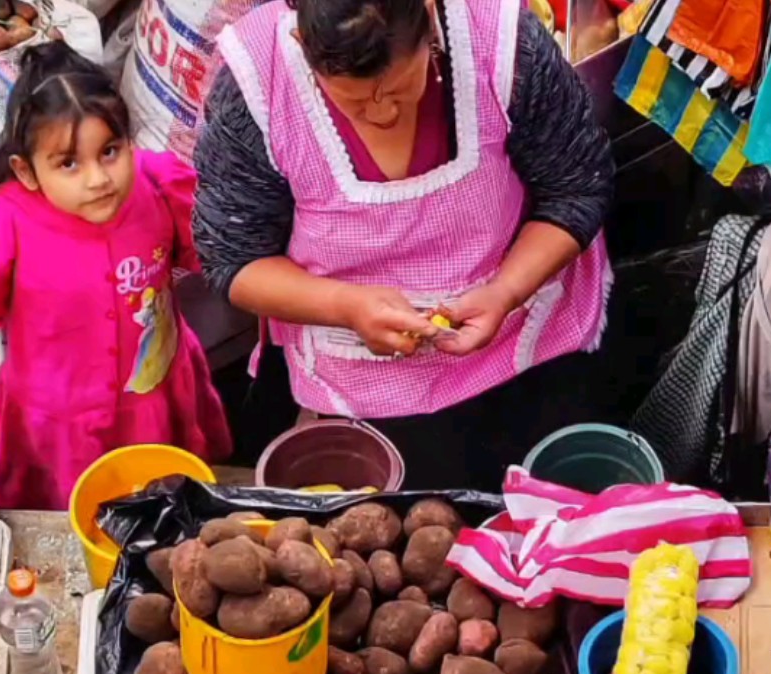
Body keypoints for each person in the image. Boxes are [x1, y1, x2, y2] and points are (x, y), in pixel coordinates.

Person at [193, 0, 615, 490]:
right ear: (302, 46)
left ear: (431, 20)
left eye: (399, 89)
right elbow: (234, 258)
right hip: (366, 385)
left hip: (529, 346)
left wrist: (505, 291)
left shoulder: (500, 42)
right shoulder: (256, 84)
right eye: (353, 102)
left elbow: (577, 187)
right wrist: (345, 305)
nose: (383, 113)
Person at [0, 42, 231, 510]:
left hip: (150, 404)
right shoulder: (6, 221)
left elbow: (215, 249)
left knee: (161, 510)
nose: (98, 179)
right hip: (57, 423)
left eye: (110, 151)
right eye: (69, 163)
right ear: (28, 170)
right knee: (68, 519)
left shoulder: (156, 183)